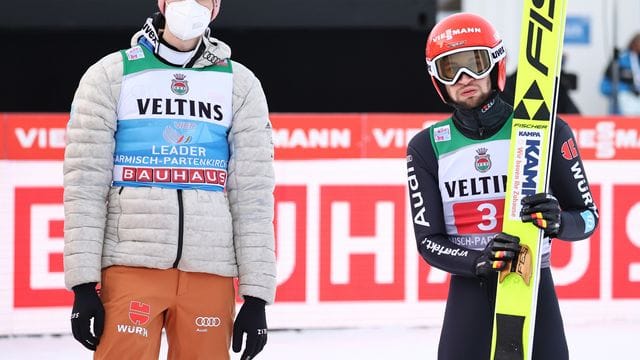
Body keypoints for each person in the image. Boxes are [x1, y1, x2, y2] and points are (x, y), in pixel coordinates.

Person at [63, 0, 276, 359]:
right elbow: (84, 184)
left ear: (216, 9)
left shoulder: (239, 84)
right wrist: (83, 285)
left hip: (210, 270)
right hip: (131, 265)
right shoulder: (111, 75)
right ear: (163, 3)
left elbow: (253, 193)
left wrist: (256, 296)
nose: (191, 5)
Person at [406, 13, 599, 360]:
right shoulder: (427, 146)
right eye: (451, 69)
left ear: (495, 65)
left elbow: (588, 218)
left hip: (532, 283)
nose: (465, 78)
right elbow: (429, 242)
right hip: (470, 289)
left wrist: (558, 223)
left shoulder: (547, 132)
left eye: (474, 64)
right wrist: (478, 260)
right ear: (438, 79)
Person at [600, 33, 640, 114]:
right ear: (634, 43)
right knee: (625, 99)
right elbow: (604, 87)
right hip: (625, 101)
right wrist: (625, 89)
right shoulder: (620, 59)